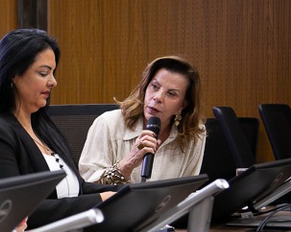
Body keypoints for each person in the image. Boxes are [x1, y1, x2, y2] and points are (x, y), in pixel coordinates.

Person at [0, 28, 115, 230]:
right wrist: (98, 201)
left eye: (53, 73)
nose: (53, 82)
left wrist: (124, 194)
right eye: (43, 73)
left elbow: (77, 188)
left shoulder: (43, 127)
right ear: (13, 74)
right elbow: (17, 212)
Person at [79, 56, 206, 184]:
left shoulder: (194, 135)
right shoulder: (108, 124)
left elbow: (185, 189)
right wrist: (127, 165)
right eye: (155, 86)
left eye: (171, 94)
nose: (158, 97)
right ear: (145, 87)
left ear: (182, 105)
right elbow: (87, 188)